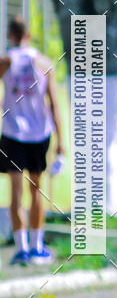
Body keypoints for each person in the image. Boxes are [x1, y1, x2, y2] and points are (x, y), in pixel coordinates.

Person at [0, 16, 64, 265]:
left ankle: (21, 249)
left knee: (16, 193)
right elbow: (54, 105)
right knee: (37, 190)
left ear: (10, 36)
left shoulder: (5, 62)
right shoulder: (45, 63)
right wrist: (61, 143)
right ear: (29, 35)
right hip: (40, 134)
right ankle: (38, 247)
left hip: (13, 133)